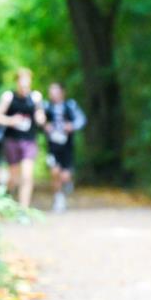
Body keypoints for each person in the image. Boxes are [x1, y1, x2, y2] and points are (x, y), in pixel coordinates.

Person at [0, 68, 46, 208]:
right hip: (12, 141)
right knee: (14, 178)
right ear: (17, 82)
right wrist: (11, 120)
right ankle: (7, 199)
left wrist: (40, 118)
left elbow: (41, 116)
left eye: (27, 84)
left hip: (29, 140)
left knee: (27, 176)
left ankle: (24, 209)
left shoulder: (35, 97)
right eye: (22, 84)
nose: (24, 88)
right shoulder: (8, 97)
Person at [43, 82, 87, 213]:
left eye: (55, 91)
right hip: (52, 146)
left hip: (67, 146)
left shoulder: (70, 105)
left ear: (62, 92)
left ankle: (67, 183)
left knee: (65, 175)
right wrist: (45, 126)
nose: (53, 95)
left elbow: (81, 119)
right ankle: (58, 198)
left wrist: (72, 126)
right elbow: (39, 122)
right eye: (51, 92)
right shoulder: (46, 107)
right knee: (54, 172)